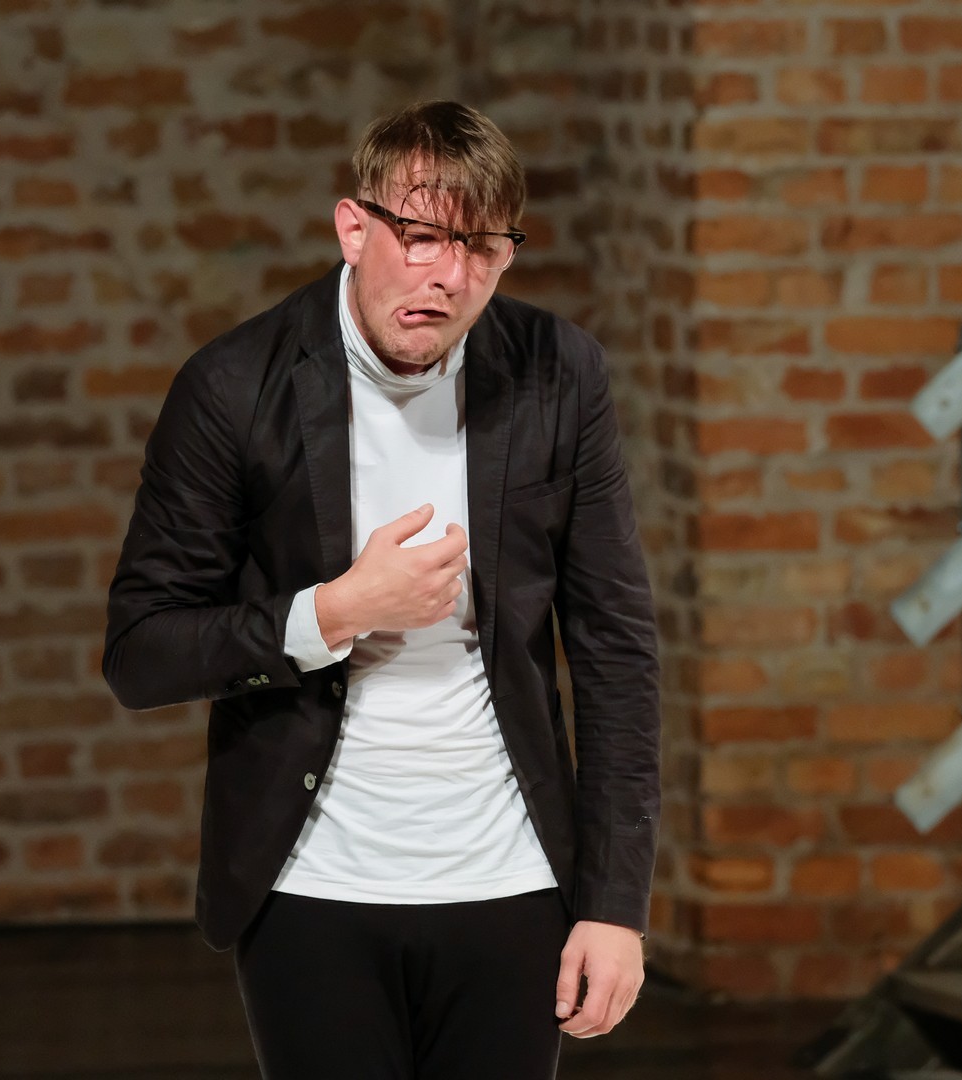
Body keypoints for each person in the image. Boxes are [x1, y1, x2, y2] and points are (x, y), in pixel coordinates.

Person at [102, 99, 662, 1079]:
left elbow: (616, 648)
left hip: (512, 876)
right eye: (422, 236)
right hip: (311, 883)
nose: (449, 275)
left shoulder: (559, 374)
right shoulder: (234, 386)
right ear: (353, 229)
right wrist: (336, 613)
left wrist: (616, 906)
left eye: (482, 248)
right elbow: (142, 652)